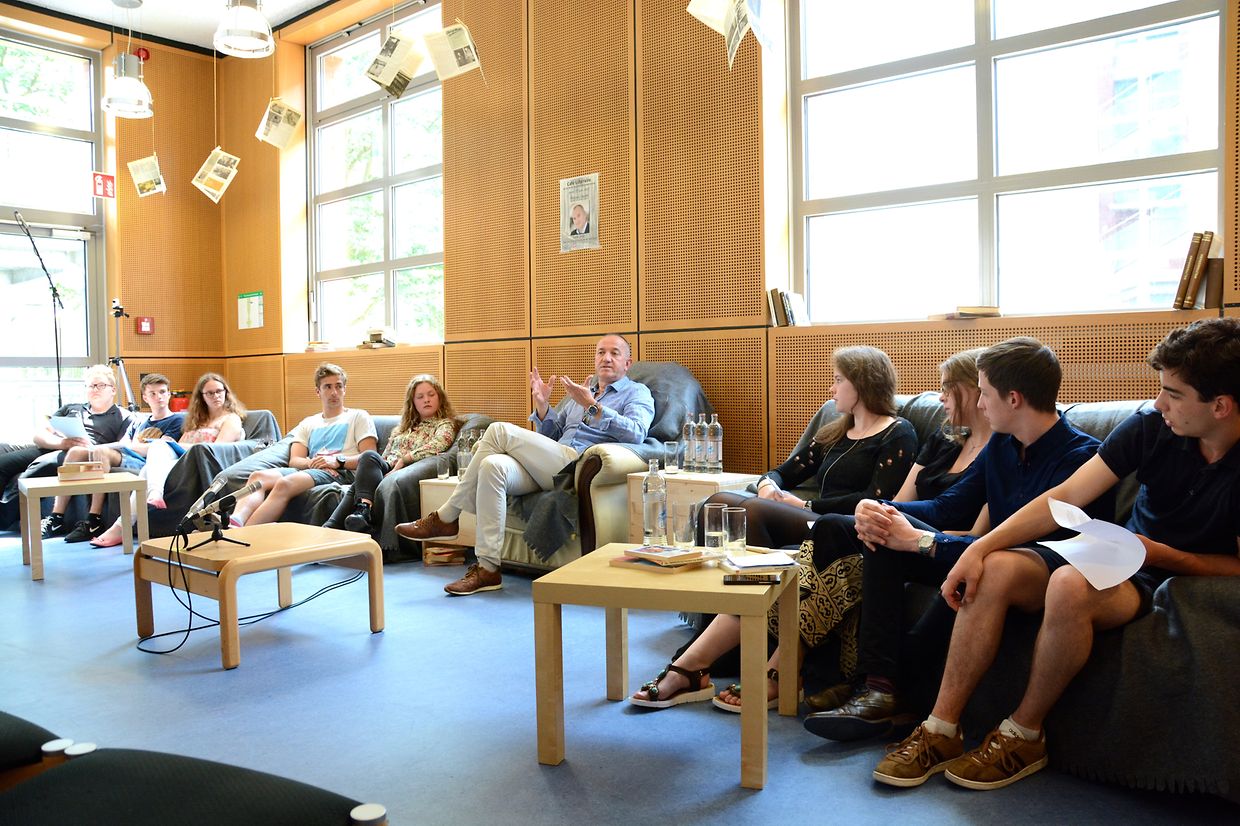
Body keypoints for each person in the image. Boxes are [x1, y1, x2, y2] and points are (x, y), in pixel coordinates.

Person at [872, 318, 1240, 792]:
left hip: (1178, 575)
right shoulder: (1150, 427)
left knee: (1068, 584)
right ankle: (940, 728)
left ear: (1221, 406)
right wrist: (981, 547)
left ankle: (1024, 734)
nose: (1158, 403)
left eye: (1173, 393)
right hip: (1123, 560)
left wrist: (1162, 555)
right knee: (995, 567)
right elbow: (1064, 496)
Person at [802, 338, 1108, 742]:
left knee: (941, 552)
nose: (979, 404)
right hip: (980, 553)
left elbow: (1026, 552)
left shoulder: (1081, 457)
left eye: (984, 393)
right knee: (876, 529)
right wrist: (881, 509)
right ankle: (878, 687)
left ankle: (883, 690)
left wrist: (921, 541)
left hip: (1029, 570)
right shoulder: (1003, 445)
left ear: (1013, 399)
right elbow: (947, 508)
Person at [630, 345, 919, 710]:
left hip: (843, 528)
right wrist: (769, 485)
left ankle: (731, 651)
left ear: (862, 383)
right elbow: (784, 471)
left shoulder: (898, 433)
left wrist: (805, 505)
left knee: (751, 510)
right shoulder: (835, 430)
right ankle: (729, 635)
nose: (832, 389)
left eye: (838, 380)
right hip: (810, 522)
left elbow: (877, 499)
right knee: (723, 502)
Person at [398, 334, 654, 595]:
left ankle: (447, 516)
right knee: (492, 466)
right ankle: (487, 570)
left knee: (498, 430)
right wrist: (543, 407)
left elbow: (636, 433)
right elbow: (550, 436)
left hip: (577, 466)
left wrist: (592, 406)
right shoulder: (580, 392)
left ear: (627, 363)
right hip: (552, 465)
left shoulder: (636, 392)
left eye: (614, 353)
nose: (606, 358)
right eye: (601, 352)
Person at [89, 372, 246, 547]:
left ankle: (123, 524)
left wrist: (176, 445)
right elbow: (182, 444)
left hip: (203, 464)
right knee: (154, 455)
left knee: (152, 460)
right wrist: (172, 444)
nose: (215, 396)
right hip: (183, 460)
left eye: (219, 391)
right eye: (209, 393)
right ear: (202, 396)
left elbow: (216, 450)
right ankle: (147, 501)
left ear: (226, 392)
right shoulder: (197, 420)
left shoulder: (231, 419)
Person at [229, 363, 377, 527]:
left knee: (285, 483)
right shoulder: (309, 422)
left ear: (344, 389)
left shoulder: (359, 416)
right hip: (313, 469)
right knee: (258, 477)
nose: (334, 392)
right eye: (328, 387)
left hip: (341, 472)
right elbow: (295, 460)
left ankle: (244, 534)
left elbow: (370, 458)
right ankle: (235, 522)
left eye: (338, 386)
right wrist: (314, 463)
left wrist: (336, 461)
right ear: (318, 391)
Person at [53, 373, 184, 543]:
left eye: (162, 392)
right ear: (145, 398)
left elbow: (160, 447)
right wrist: (97, 446)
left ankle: (94, 519)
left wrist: (128, 446)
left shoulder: (177, 420)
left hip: (145, 462)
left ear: (168, 394)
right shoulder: (139, 422)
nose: (158, 396)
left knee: (101, 453)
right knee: (76, 452)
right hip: (128, 455)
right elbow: (123, 443)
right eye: (152, 393)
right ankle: (57, 516)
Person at [325, 374, 459, 534]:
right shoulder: (402, 428)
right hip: (387, 467)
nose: (426, 400)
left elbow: (439, 444)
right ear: (413, 402)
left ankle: (337, 524)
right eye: (420, 397)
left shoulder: (444, 424)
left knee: (361, 484)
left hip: (409, 469)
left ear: (439, 398)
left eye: (431, 395)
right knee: (369, 458)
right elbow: (384, 456)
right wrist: (375, 471)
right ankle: (359, 513)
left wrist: (403, 461)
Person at [15, 365, 133, 540]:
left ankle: (90, 519)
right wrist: (62, 442)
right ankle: (57, 518)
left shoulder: (124, 415)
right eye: (91, 386)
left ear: (113, 390)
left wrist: (92, 447)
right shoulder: (72, 408)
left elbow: (125, 446)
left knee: (80, 452)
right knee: (10, 464)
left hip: (99, 453)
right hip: (62, 449)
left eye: (100, 385)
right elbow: (39, 435)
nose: (95, 389)